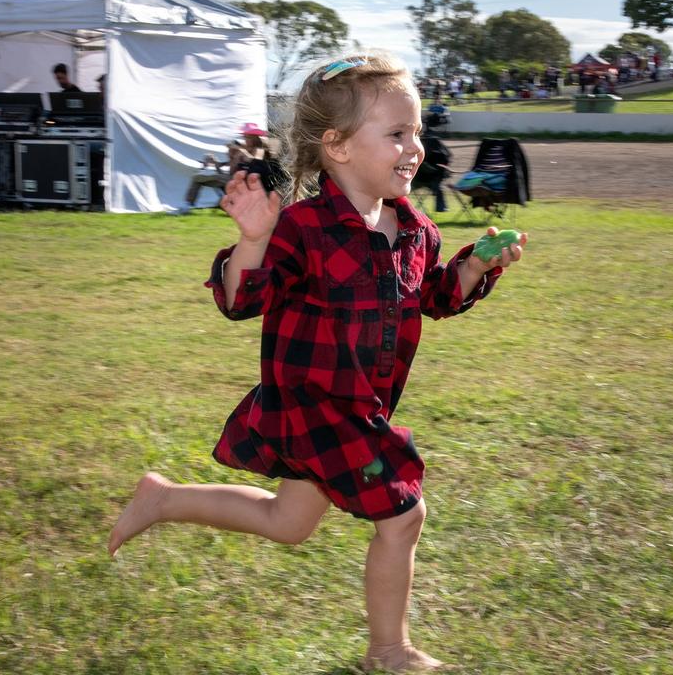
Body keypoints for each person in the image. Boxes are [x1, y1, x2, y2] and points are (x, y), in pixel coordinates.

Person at [109, 52, 527, 673]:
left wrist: (471, 269)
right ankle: (388, 650)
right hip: (313, 404)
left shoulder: (415, 230)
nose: (415, 147)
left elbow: (432, 298)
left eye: (416, 132)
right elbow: (241, 300)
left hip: (359, 406)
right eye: (395, 134)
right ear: (337, 147)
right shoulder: (301, 228)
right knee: (404, 514)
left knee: (288, 521)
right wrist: (252, 240)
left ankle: (162, 499)